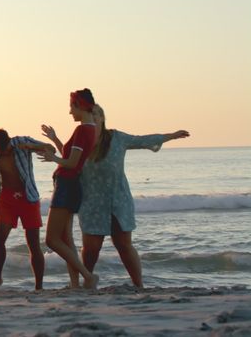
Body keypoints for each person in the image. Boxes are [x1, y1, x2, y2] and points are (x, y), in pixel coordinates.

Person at [44, 105, 190, 288]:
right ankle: (87, 283)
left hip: (118, 200)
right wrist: (55, 139)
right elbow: (69, 154)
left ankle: (139, 285)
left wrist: (170, 135)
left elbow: (141, 140)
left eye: (97, 114)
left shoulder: (117, 138)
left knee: (123, 245)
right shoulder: (83, 138)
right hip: (92, 203)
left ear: (102, 118)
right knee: (91, 249)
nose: (94, 118)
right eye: (91, 114)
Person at [0, 129, 52, 290]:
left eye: (5, 147)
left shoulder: (22, 142)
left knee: (33, 243)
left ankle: (39, 285)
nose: (3, 152)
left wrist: (30, 146)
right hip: (7, 199)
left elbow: (51, 149)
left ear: (10, 140)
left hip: (28, 197)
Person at [38, 88, 101, 289]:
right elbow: (71, 154)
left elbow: (72, 163)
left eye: (71, 108)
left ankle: (87, 276)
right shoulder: (90, 129)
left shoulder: (83, 130)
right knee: (66, 239)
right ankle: (75, 284)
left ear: (80, 106)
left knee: (51, 240)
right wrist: (54, 139)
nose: (69, 113)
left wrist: (53, 158)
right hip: (70, 185)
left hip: (67, 185)